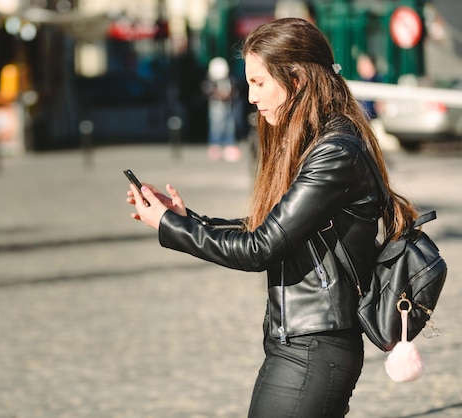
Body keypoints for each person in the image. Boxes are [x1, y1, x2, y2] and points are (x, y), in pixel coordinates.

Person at [126, 18, 419, 417]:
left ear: (296, 80)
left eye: (259, 83)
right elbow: (270, 229)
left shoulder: (335, 152)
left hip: (314, 348)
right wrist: (186, 217)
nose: (250, 97)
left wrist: (170, 226)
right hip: (296, 343)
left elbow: (259, 249)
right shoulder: (319, 142)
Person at [202, 56, 242, 161]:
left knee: (229, 125)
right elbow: (207, 91)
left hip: (228, 105)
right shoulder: (211, 81)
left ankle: (229, 144)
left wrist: (229, 95)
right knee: (216, 127)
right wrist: (220, 95)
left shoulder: (230, 79)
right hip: (216, 106)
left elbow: (235, 90)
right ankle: (215, 145)